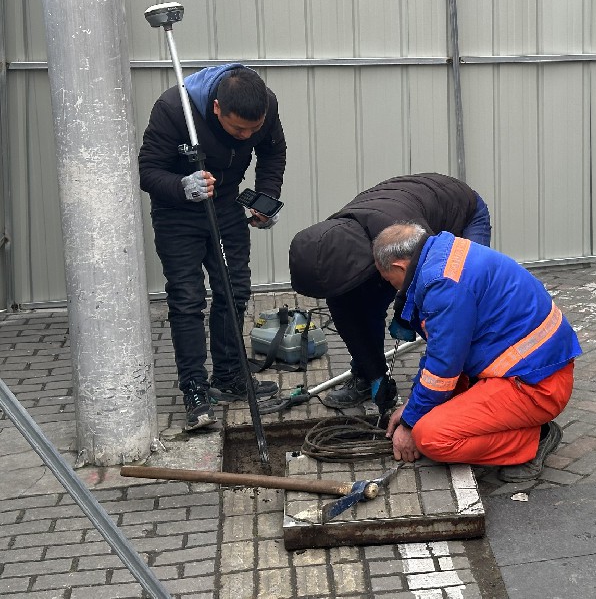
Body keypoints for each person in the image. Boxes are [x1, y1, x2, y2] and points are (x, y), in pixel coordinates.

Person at [138, 64, 287, 432]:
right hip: (178, 213)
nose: (246, 135)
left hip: (225, 206)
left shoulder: (265, 105)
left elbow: (272, 153)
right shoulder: (174, 108)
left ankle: (229, 375)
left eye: (253, 128)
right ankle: (194, 388)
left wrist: (266, 197)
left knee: (234, 290)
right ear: (217, 107)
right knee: (187, 299)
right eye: (238, 129)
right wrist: (182, 185)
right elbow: (148, 170)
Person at [373, 222, 580, 482]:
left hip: (536, 385)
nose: (394, 289)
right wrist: (414, 404)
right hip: (533, 369)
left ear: (399, 267)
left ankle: (535, 439)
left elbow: (443, 367)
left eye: (389, 279)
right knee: (433, 406)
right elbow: (440, 349)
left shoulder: (442, 284)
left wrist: (410, 423)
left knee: (430, 437)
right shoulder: (444, 253)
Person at [288, 173, 492, 412]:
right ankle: (365, 377)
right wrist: (375, 374)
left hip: (462, 212)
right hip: (402, 208)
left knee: (460, 300)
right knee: (361, 305)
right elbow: (350, 316)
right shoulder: (336, 249)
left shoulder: (403, 234)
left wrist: (404, 314)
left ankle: (478, 379)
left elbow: (429, 291)